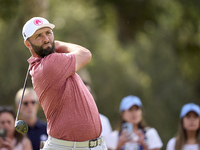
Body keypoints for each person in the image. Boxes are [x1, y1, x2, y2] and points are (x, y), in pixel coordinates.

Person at [22, 17, 106, 150]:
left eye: (48, 33)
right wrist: (57, 44)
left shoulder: (50, 63)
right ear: (28, 44)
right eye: (39, 36)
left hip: (90, 146)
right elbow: (86, 54)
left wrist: (49, 44)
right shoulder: (49, 64)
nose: (46, 39)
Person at [83, 81, 113, 148]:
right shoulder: (66, 121)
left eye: (89, 92)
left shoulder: (104, 120)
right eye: (83, 93)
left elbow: (110, 147)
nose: (87, 96)